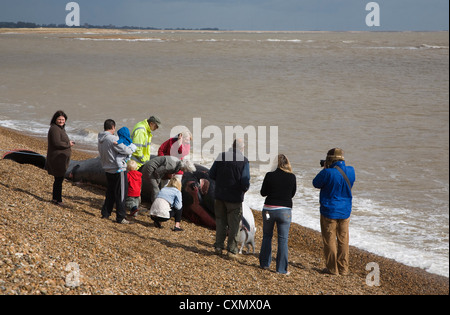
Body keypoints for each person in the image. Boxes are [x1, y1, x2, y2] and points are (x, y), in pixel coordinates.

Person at [313, 148, 355, 276]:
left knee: (329, 239)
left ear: (330, 160)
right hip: (345, 211)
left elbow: (315, 183)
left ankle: (332, 269)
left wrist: (325, 169)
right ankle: (343, 269)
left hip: (329, 210)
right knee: (343, 240)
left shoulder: (328, 173)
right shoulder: (351, 171)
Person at [209, 138, 250, 259]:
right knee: (234, 225)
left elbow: (211, 174)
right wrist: (244, 189)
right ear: (242, 148)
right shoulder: (244, 161)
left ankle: (218, 247)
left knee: (220, 221)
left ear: (232, 146)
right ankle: (232, 250)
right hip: (234, 198)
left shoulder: (221, 156)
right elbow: (245, 181)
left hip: (219, 195)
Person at [259, 154, 296, 275]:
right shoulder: (292, 177)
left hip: (269, 211)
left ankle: (264, 264)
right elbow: (292, 194)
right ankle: (281, 269)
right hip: (284, 212)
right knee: (283, 240)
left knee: (267, 236)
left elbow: (263, 193)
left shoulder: (270, 175)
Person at [98, 119, 134, 224]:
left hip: (107, 168)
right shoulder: (112, 138)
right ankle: (121, 217)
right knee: (121, 193)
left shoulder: (101, 138)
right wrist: (131, 149)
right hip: (118, 169)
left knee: (110, 192)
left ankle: (106, 213)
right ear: (113, 127)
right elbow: (126, 150)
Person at [45, 110, 75, 206]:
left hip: (60, 159)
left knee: (58, 180)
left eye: (63, 119)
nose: (61, 121)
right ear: (55, 119)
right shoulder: (54, 129)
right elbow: (57, 143)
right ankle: (58, 200)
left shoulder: (60, 128)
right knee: (58, 180)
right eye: (59, 119)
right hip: (57, 159)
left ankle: (55, 198)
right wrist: (68, 144)